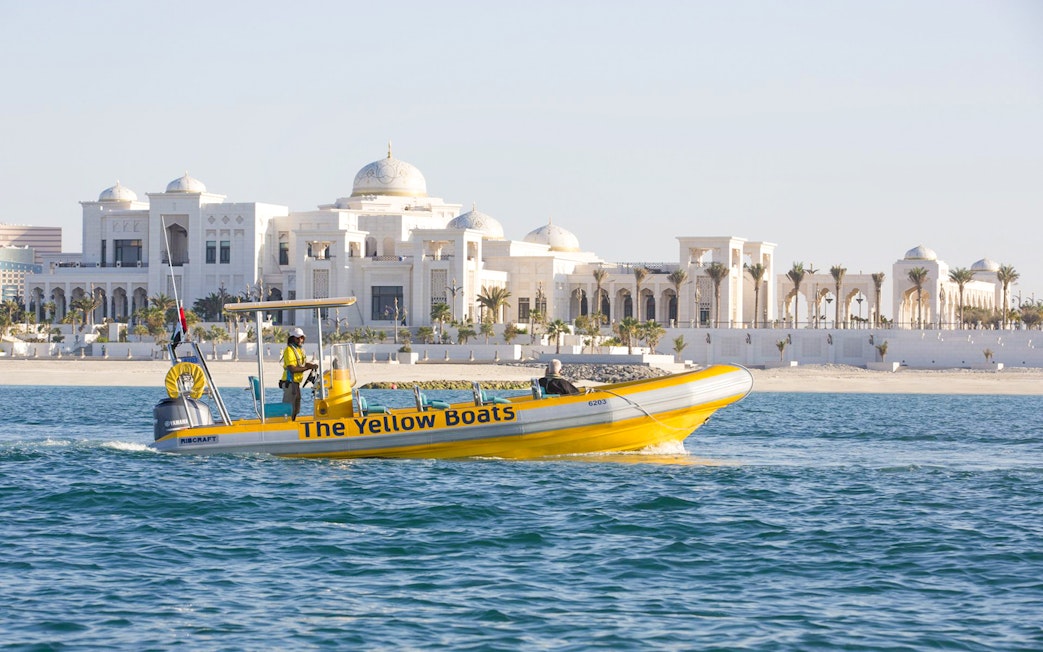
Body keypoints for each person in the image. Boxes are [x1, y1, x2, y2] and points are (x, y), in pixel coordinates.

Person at [281, 327, 318, 419]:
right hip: (289, 382)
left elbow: (303, 363)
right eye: (298, 338)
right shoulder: (289, 350)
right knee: (289, 407)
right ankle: (286, 425)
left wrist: (312, 366)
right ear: (293, 338)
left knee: (296, 406)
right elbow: (292, 369)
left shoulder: (300, 350)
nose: (300, 340)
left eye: (302, 338)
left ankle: (293, 422)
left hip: (296, 383)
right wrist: (307, 368)